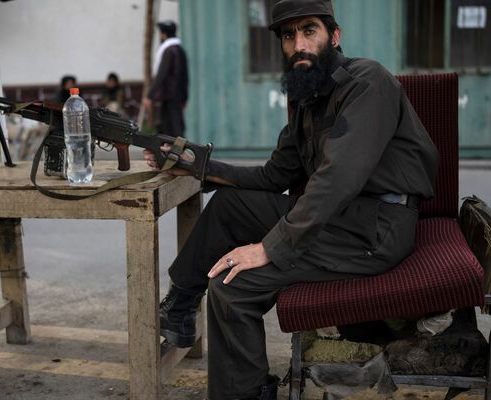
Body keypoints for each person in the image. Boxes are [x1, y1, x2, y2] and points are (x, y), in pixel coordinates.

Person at [143, 0, 439, 398]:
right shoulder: (308, 100)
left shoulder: (367, 82)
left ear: (334, 36)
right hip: (343, 219)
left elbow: (337, 179)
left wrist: (269, 247)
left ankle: (246, 393)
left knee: (234, 286)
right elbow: (273, 176)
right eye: (288, 35)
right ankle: (180, 304)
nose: (298, 44)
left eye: (309, 31)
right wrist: (194, 161)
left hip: (376, 230)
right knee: (232, 205)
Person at [143, 20, 189, 137]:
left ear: (163, 34)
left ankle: (180, 152)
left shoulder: (168, 51)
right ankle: (169, 153)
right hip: (176, 95)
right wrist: (184, 97)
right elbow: (185, 76)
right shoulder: (180, 49)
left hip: (169, 96)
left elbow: (161, 74)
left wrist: (150, 96)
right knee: (168, 127)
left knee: (173, 128)